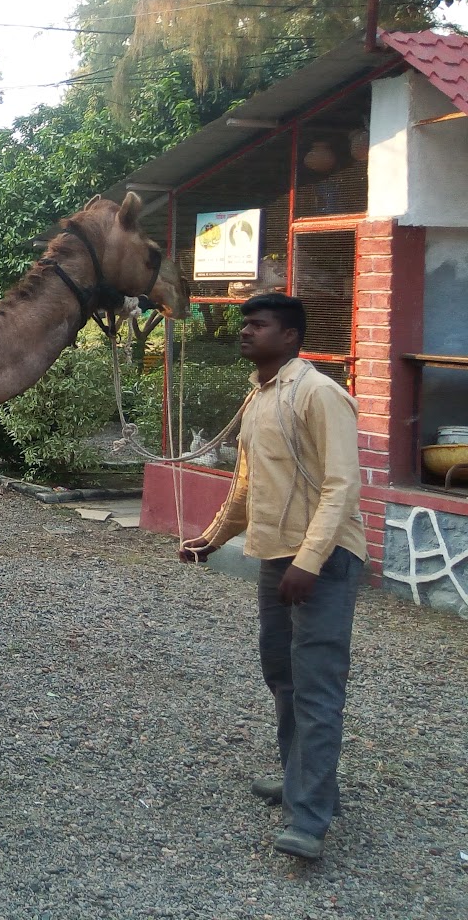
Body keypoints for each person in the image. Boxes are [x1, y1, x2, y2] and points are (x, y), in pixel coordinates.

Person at [179, 293, 365, 861]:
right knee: (282, 674)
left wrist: (309, 561)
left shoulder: (319, 394)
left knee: (316, 685)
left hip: (323, 561)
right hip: (279, 558)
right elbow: (246, 484)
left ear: (289, 337)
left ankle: (308, 820)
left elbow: (342, 485)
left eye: (257, 325)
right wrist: (213, 538)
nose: (245, 331)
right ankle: (300, 777)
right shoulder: (260, 396)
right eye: (245, 324)